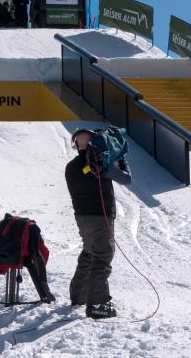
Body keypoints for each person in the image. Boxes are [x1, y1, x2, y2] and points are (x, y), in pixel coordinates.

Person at [65, 128, 132, 319]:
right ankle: (98, 304)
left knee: (89, 252)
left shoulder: (71, 167)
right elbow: (127, 178)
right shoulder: (101, 164)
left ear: (77, 144)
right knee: (102, 257)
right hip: (100, 218)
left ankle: (78, 296)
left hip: (82, 217)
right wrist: (121, 158)